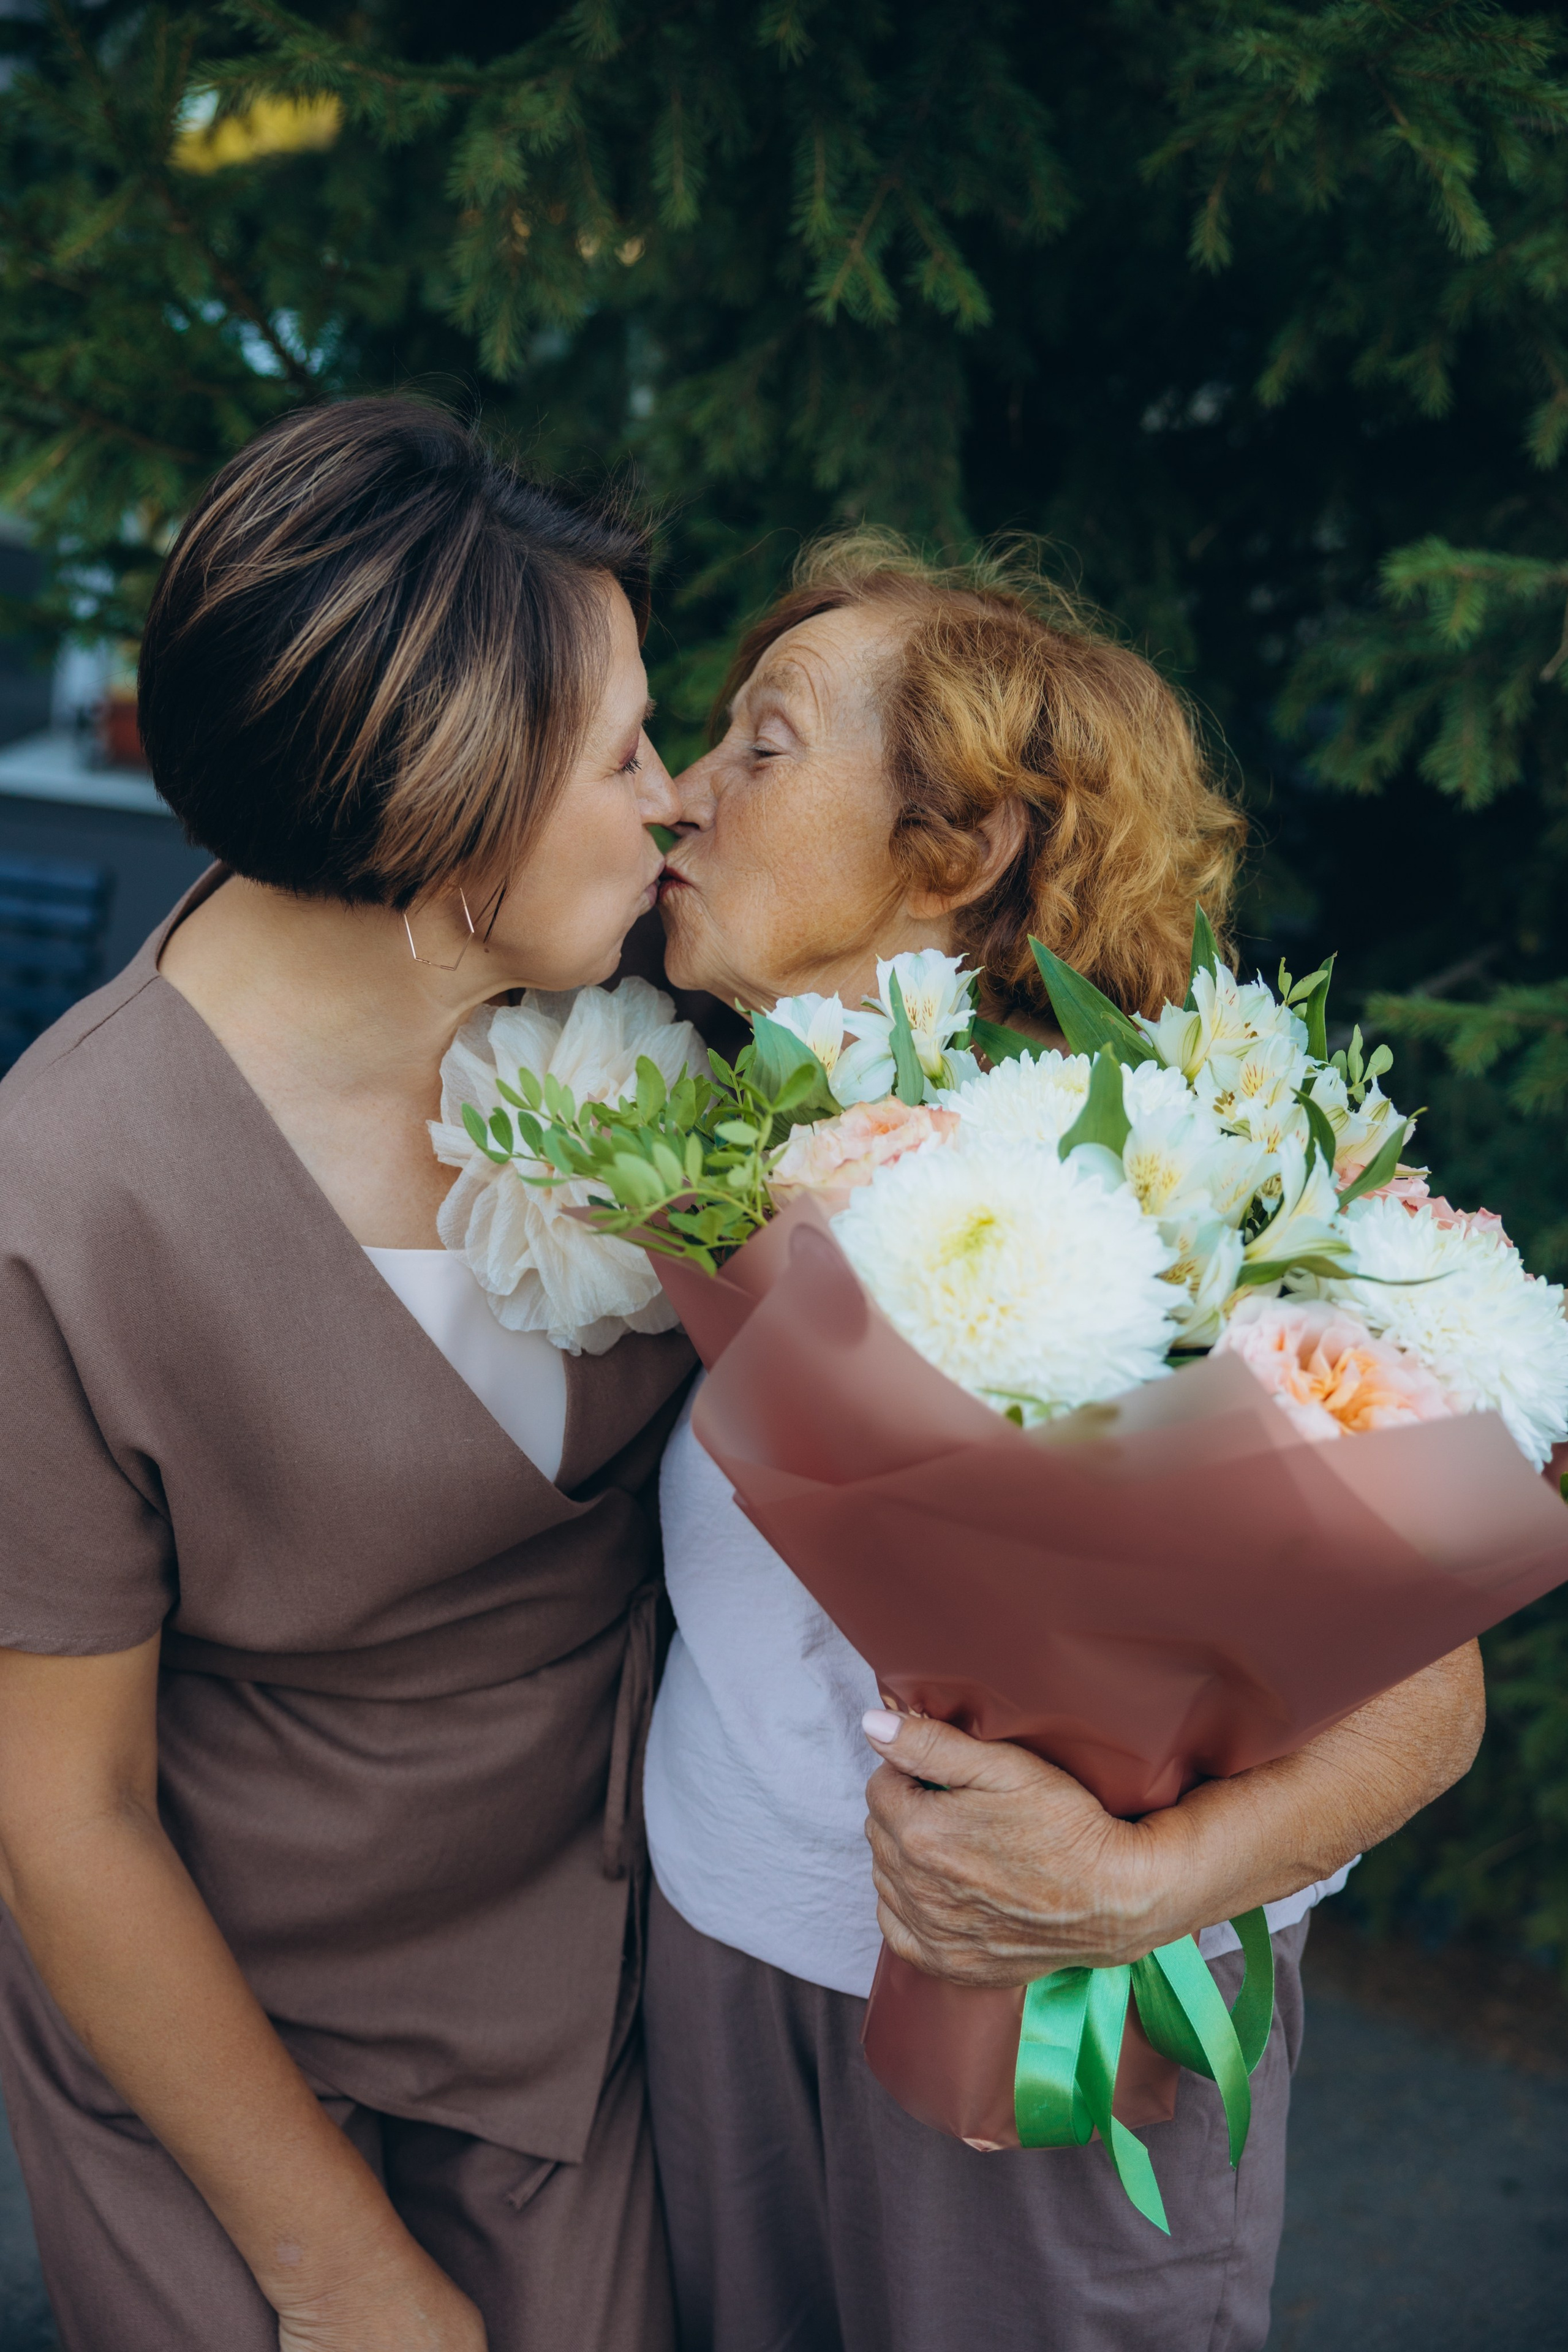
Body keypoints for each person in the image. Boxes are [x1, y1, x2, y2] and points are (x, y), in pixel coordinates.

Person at [643, 532, 1486, 2352]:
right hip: (717, 1981)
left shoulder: (1195, 1193)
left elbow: (1432, 1698)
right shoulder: (711, 1156)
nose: (681, 798)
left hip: (1050, 2028)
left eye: (763, 745)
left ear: (958, 848)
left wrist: (1131, 1886)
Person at [0, 398, 690, 2351]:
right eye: (622, 751)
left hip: (617, 2010)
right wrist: (337, 2274)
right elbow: (68, 1823)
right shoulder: (61, 1207)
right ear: (435, 813)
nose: (673, 799)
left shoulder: (643, 1024)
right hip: (253, 2082)